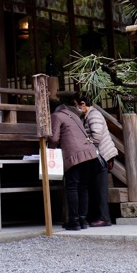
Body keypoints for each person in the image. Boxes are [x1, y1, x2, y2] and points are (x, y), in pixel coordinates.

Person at [49, 99, 98, 230]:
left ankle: (74, 221)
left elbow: (54, 138)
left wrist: (50, 149)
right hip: (88, 153)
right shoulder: (73, 115)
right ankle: (83, 220)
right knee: (83, 187)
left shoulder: (56, 116)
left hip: (74, 155)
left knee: (72, 187)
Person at [74, 94, 118, 226]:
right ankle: (100, 216)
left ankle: (104, 218)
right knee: (96, 187)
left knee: (100, 188)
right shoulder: (88, 115)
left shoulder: (94, 115)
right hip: (98, 155)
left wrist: (84, 142)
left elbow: (96, 137)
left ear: (82, 104)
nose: (76, 107)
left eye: (76, 104)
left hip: (101, 156)